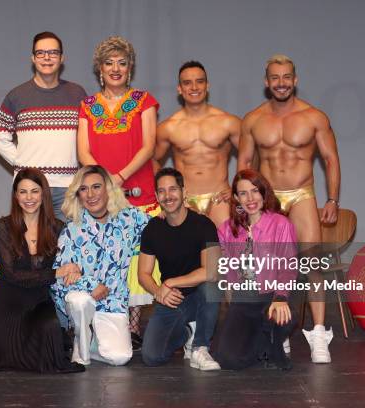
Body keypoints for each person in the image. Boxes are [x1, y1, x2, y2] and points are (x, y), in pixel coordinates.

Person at [238, 54, 341, 363]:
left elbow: (331, 159)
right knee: (266, 266)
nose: (280, 83)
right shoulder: (253, 119)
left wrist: (333, 199)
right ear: (266, 82)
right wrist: (242, 201)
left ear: (295, 80)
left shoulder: (314, 117)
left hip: (301, 194)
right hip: (266, 198)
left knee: (313, 264)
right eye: (275, 77)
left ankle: (319, 332)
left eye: (286, 77)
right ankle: (276, 331)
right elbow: (244, 164)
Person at [0, 168, 84, 373]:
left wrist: (74, 269)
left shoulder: (58, 227)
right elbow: (12, 275)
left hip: (39, 301)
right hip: (8, 303)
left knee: (50, 337)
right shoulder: (4, 226)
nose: (29, 198)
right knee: (12, 359)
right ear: (16, 195)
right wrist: (56, 273)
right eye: (23, 192)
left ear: (43, 194)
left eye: (34, 191)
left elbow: (71, 262)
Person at [77, 36, 160, 349]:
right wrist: (103, 182)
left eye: (122, 63)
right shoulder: (87, 105)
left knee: (135, 256)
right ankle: (105, 319)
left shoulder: (144, 100)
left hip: (138, 190)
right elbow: (83, 151)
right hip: (99, 192)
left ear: (130, 68)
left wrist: (121, 176)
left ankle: (133, 324)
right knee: (101, 255)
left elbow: (149, 145)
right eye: (109, 63)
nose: (115, 68)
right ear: (100, 68)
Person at [51, 165, 150, 366]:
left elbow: (159, 229)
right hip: (82, 298)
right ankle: (81, 337)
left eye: (96, 187)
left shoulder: (129, 218)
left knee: (120, 357)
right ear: (77, 194)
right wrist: (90, 286)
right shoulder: (71, 230)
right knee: (80, 301)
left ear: (108, 189)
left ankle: (93, 343)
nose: (90, 194)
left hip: (113, 301)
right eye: (84, 189)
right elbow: (58, 279)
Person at [0, 31, 86, 222]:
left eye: (53, 52)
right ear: (33, 58)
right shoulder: (16, 96)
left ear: (62, 58)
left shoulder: (77, 94)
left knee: (67, 247)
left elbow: (89, 138)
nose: (47, 58)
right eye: (41, 53)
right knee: (29, 247)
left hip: (67, 188)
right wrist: (25, 168)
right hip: (30, 189)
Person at [212, 169, 298, 371]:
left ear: (263, 192)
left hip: (272, 295)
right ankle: (264, 343)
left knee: (285, 316)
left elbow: (288, 264)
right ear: (235, 198)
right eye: (243, 193)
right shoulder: (226, 229)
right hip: (244, 299)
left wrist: (281, 297)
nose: (250, 198)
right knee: (228, 360)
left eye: (255, 191)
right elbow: (225, 269)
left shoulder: (281, 223)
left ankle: (274, 340)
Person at [139, 168, 222, 370]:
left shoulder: (204, 225)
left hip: (199, 297)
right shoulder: (152, 229)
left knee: (212, 285)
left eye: (173, 189)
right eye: (162, 191)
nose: (168, 196)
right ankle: (187, 333)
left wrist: (169, 283)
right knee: (151, 356)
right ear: (157, 196)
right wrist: (159, 291)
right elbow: (143, 274)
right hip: (172, 299)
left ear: (184, 192)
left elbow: (211, 271)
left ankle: (200, 348)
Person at [155, 61, 241, 227]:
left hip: (219, 200)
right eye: (187, 83)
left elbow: (251, 155)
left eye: (199, 81)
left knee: (228, 251)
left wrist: (238, 189)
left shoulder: (228, 122)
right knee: (187, 253)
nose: (194, 87)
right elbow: (152, 161)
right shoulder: (168, 127)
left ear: (207, 86)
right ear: (179, 89)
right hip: (186, 201)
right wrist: (167, 194)